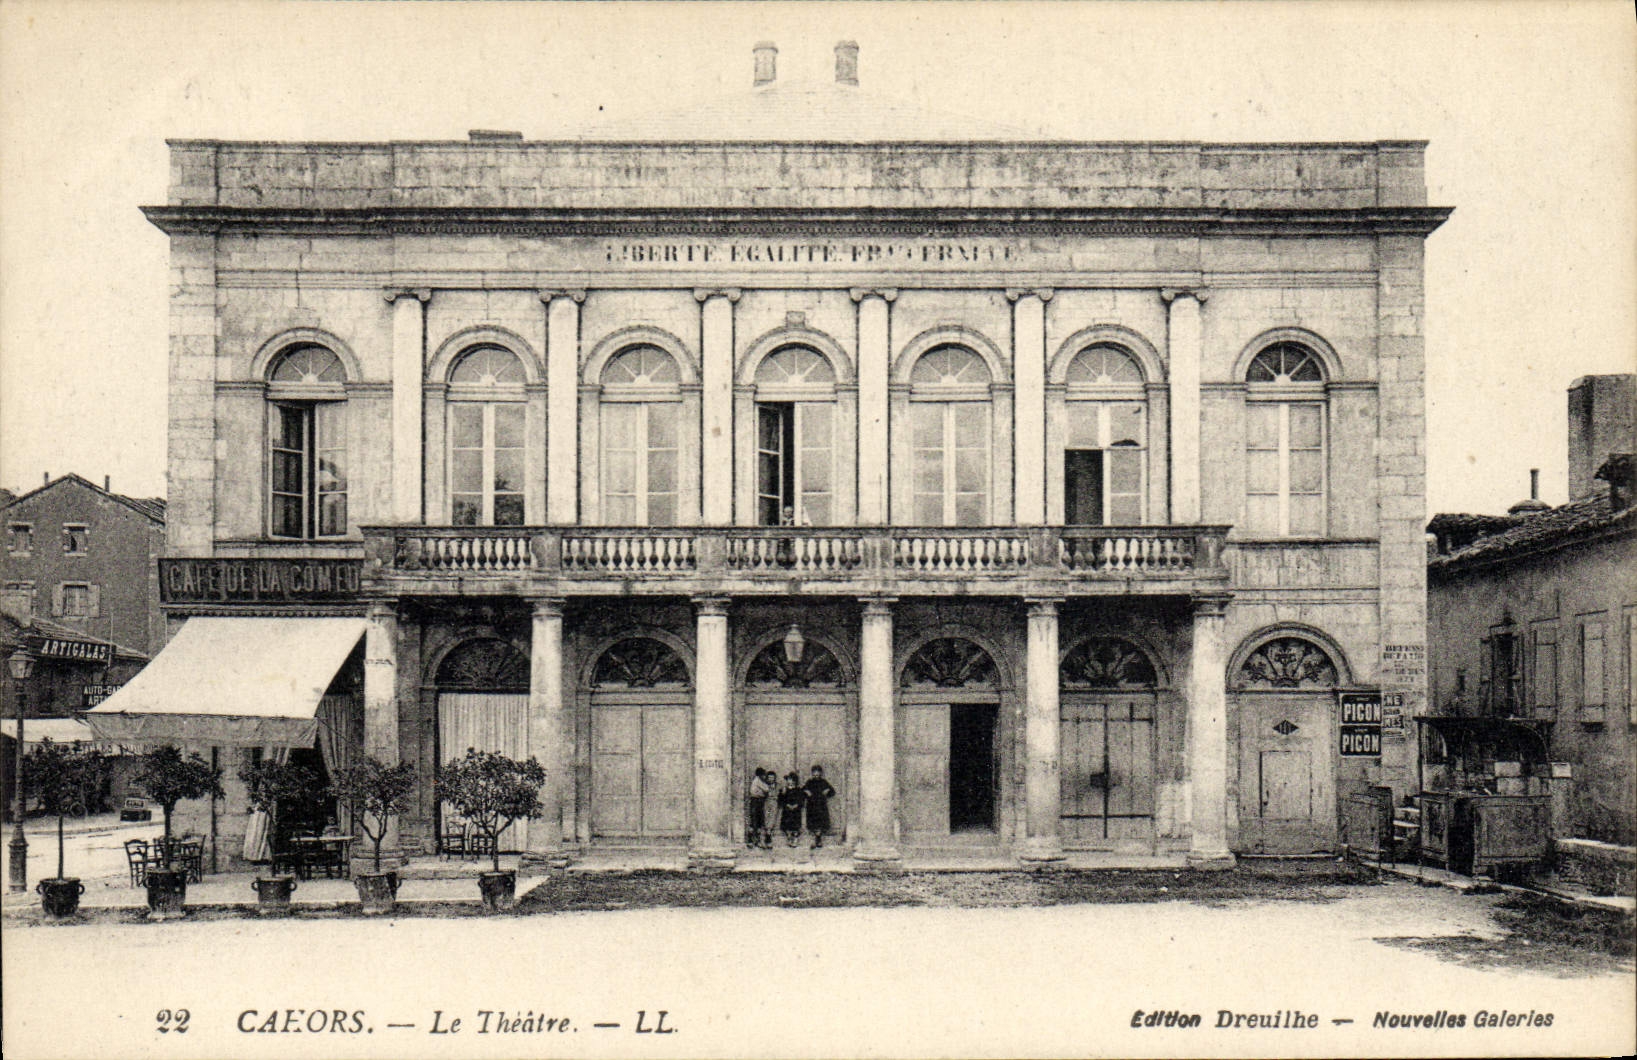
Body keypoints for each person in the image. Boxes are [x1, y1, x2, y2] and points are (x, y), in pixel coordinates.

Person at [802, 765, 837, 849]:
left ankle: (818, 837)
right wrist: (806, 792)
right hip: (812, 806)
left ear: (820, 774)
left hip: (821, 805)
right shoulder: (809, 782)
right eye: (814, 775)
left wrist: (827, 791)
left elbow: (832, 791)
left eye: (817, 775)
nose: (816, 776)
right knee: (813, 822)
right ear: (812, 774)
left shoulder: (823, 782)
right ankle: (816, 837)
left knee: (821, 822)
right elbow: (802, 791)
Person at [777, 772, 807, 847]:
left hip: (796, 811)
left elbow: (801, 799)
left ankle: (795, 838)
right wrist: (786, 804)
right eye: (788, 780)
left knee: (795, 825)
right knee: (786, 824)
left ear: (795, 781)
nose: (789, 781)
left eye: (791, 779)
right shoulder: (784, 790)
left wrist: (796, 805)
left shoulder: (798, 790)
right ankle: (789, 837)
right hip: (787, 810)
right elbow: (780, 800)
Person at [746, 768, 772, 849]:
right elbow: (766, 789)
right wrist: (768, 784)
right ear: (760, 775)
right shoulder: (758, 781)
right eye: (764, 775)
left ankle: (754, 840)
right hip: (756, 801)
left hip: (757, 801)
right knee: (756, 821)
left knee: (757, 821)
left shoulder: (757, 780)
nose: (765, 777)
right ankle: (752, 840)